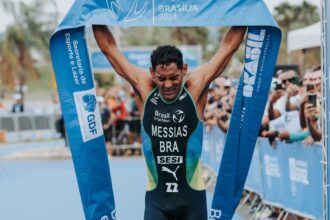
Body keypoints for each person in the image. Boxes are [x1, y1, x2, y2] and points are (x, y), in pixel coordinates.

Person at [93, 25, 246, 220]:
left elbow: (228, 47)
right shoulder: (144, 88)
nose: (167, 85)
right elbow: (109, 48)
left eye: (174, 77)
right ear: (152, 72)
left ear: (184, 70)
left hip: (192, 201)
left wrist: (246, 12)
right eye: (161, 78)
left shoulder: (195, 89)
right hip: (157, 203)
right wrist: (93, 13)